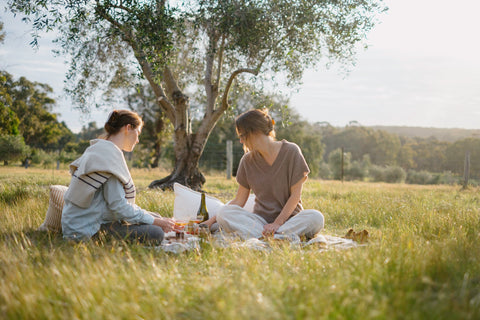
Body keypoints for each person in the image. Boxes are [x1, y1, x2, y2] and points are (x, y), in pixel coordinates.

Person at [203, 108, 324, 239]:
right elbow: (239, 200)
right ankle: (279, 238)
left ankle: (269, 237)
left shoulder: (291, 151)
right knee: (225, 213)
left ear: (254, 132)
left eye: (242, 136)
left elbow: (295, 196)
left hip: (290, 220)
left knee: (316, 217)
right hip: (259, 222)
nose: (241, 141)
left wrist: (277, 224)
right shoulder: (247, 161)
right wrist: (210, 222)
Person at [61, 109, 174, 244]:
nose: (137, 140)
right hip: (88, 232)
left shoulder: (100, 150)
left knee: (155, 218)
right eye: (137, 133)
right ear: (128, 128)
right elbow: (119, 207)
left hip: (78, 226)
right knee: (156, 232)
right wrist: (156, 222)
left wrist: (155, 219)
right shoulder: (108, 158)